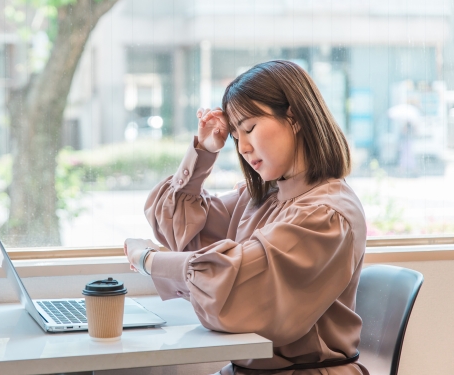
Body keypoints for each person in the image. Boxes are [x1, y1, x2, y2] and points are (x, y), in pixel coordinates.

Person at [124, 60, 368, 375]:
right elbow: (178, 223)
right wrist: (204, 150)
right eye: (236, 136)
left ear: (293, 116)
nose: (243, 147)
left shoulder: (325, 215)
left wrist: (150, 261)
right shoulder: (266, 198)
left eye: (250, 128)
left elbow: (233, 284)